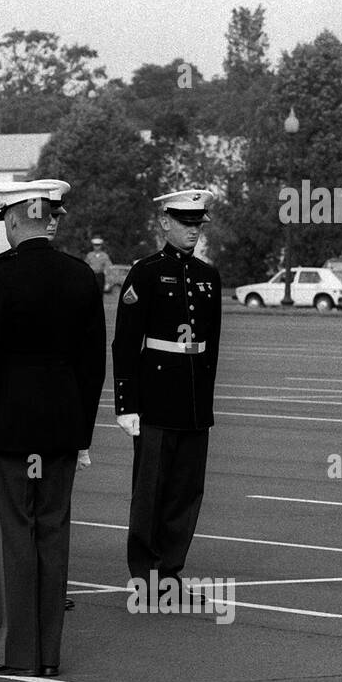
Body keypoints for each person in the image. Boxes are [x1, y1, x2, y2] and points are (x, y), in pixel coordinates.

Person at [0, 181, 107, 677]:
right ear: (46, 216)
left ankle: (19, 652)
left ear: (18, 217)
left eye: (4, 217)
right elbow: (93, 365)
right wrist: (83, 433)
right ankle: (48, 656)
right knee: (53, 533)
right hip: (62, 429)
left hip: (10, 428)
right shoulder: (80, 275)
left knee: (13, 537)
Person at [113, 189, 222, 586]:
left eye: (197, 224)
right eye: (185, 223)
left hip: (192, 404)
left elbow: (211, 347)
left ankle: (170, 574)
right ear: (165, 223)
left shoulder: (208, 277)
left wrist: (204, 404)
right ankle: (144, 576)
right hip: (156, 401)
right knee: (151, 492)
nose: (193, 231)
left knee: (185, 493)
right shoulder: (146, 272)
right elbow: (125, 341)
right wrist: (126, 404)